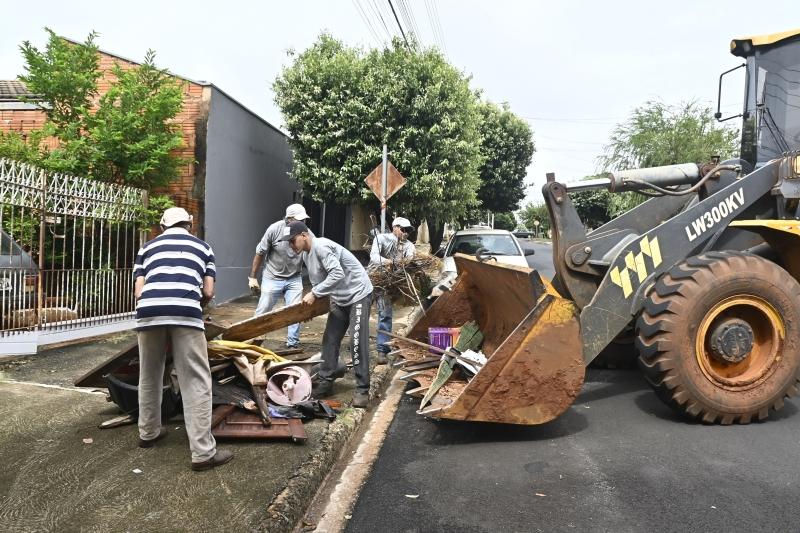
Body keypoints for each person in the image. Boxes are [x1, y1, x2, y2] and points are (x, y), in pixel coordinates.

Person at [133, 207, 233, 472]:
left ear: (163, 225)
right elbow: (209, 292)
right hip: (185, 313)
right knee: (195, 379)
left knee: (149, 374)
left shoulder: (147, 247)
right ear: (190, 223)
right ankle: (202, 453)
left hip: (148, 312)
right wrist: (190, 302)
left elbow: (138, 291)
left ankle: (148, 432)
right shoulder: (203, 248)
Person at [282, 220, 373, 408]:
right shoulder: (306, 255)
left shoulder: (321, 246)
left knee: (356, 340)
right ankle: (325, 382)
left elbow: (337, 274)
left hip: (358, 294)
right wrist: (310, 308)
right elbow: (319, 285)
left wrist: (314, 294)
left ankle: (362, 389)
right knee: (330, 339)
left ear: (304, 235)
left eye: (292, 241)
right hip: (339, 298)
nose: (291, 246)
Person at [248, 203, 312, 348]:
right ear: (288, 219)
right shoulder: (274, 229)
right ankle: (253, 340)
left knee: (295, 311)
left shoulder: (305, 232)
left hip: (294, 277)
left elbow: (312, 252)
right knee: (263, 311)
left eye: (304, 220)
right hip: (273, 277)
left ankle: (292, 344)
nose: (303, 223)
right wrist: (252, 277)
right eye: (299, 220)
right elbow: (260, 252)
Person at [369, 216, 415, 364]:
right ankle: (355, 343)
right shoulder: (381, 239)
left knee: (384, 315)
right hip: (369, 282)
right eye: (403, 229)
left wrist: (406, 262)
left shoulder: (408, 246)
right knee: (359, 312)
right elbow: (374, 256)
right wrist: (388, 262)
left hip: (385, 286)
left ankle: (382, 350)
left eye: (408, 231)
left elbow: (410, 259)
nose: (406, 233)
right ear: (395, 228)